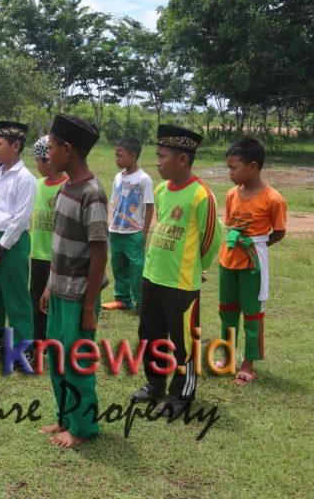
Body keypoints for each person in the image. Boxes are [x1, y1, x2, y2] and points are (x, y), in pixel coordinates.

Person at [130, 125, 222, 416]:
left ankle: (181, 394)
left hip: (182, 283)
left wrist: (196, 267)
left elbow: (210, 240)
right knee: (150, 335)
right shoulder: (160, 190)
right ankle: (155, 384)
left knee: (184, 342)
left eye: (162, 156)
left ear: (183, 159)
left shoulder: (201, 195)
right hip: (152, 276)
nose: (156, 161)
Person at [38, 114, 107, 448]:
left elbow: (98, 253)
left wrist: (91, 306)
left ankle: (82, 428)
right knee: (57, 357)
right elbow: (60, 243)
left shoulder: (92, 194)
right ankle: (65, 416)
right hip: (60, 291)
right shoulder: (66, 186)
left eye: (50, 147)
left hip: (80, 297)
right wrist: (50, 284)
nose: (47, 153)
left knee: (77, 363)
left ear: (68, 149)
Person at [217, 137, 286, 385]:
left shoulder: (273, 198)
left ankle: (248, 363)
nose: (230, 173)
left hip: (252, 265)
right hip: (227, 260)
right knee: (227, 311)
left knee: (252, 314)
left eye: (233, 168)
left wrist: (255, 245)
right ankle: (226, 355)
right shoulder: (232, 194)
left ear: (253, 167)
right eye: (228, 167)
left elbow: (278, 232)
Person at [0, 121, 37, 357]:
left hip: (10, 244)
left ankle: (25, 348)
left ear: (16, 146)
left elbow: (20, 219)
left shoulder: (25, 178)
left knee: (16, 298)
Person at [102, 137, 154, 312]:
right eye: (116, 155)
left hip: (134, 232)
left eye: (120, 155)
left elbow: (149, 206)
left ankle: (141, 302)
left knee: (137, 269)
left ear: (133, 156)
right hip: (116, 230)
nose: (116, 158)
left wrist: (144, 233)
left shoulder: (144, 179)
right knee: (118, 267)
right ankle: (122, 299)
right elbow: (113, 202)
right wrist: (110, 224)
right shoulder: (117, 177)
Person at [29, 135, 67, 341]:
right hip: (38, 252)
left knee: (55, 298)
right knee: (36, 295)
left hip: (57, 254)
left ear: (47, 160)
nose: (36, 166)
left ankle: (55, 336)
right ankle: (38, 335)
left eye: (37, 161)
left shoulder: (66, 186)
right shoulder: (37, 184)